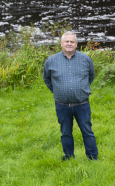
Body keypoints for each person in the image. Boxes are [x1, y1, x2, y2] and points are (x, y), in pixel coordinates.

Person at [42, 31, 98, 161]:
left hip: (82, 104)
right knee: (66, 132)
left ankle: (93, 157)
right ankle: (68, 157)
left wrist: (81, 89)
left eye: (72, 41)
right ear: (61, 43)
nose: (69, 44)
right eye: (66, 41)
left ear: (76, 44)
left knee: (87, 131)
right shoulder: (51, 61)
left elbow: (91, 76)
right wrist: (58, 91)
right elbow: (47, 79)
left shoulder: (86, 59)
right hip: (62, 105)